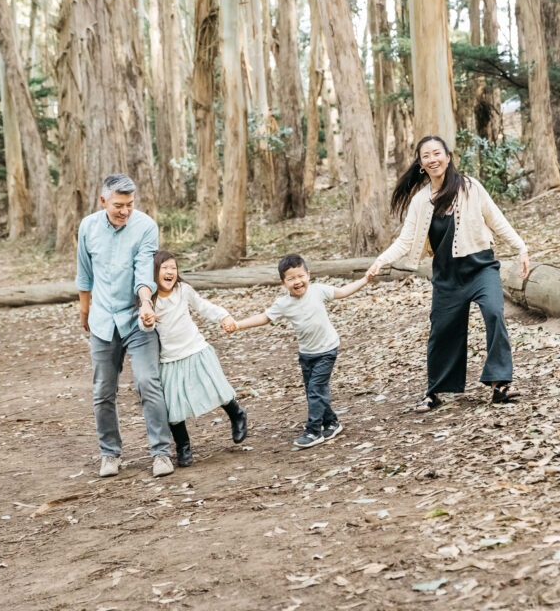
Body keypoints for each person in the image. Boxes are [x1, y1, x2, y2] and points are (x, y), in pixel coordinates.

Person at [369, 136, 530, 411]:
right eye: (426, 156)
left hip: (481, 268)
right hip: (447, 276)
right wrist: (381, 261)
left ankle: (500, 384)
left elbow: (496, 218)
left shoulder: (470, 187)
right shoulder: (420, 201)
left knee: (494, 312)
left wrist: (521, 248)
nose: (432, 159)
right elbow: (406, 240)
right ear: (420, 164)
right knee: (442, 330)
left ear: (448, 156)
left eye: (437, 153)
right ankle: (435, 391)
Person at [76, 173, 174, 479]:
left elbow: (144, 267)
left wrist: (146, 303)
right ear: (103, 201)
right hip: (103, 321)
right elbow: (84, 273)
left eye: (130, 204)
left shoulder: (145, 226)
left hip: (136, 319)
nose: (125, 211)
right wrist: (84, 310)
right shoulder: (88, 227)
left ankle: (161, 452)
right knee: (103, 391)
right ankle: (110, 454)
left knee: (148, 383)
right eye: (118, 204)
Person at [226, 254, 377, 448]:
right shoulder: (284, 304)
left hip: (327, 349)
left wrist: (365, 280)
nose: (297, 282)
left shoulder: (318, 291)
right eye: (291, 279)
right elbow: (264, 317)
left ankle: (314, 431)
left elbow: (343, 292)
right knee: (313, 391)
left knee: (316, 390)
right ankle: (331, 422)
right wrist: (238, 325)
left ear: (308, 275)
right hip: (306, 354)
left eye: (300, 276)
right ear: (283, 283)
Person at [139, 250, 247, 467]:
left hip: (196, 349)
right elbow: (143, 324)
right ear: (153, 273)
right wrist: (148, 322)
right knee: (174, 407)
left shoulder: (183, 290)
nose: (170, 272)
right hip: (170, 358)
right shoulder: (149, 299)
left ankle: (237, 414)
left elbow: (204, 307)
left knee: (217, 389)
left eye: (173, 268)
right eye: (164, 268)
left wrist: (224, 316)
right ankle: (183, 445)